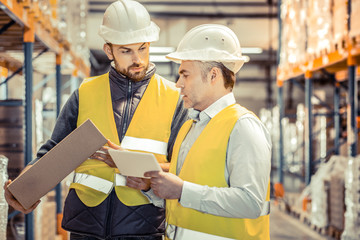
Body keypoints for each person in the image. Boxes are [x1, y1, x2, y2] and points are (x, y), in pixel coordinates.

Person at [4, 0, 188, 239]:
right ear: (109, 50)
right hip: (85, 227)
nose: (138, 59)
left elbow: (184, 167)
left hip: (142, 229)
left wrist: (132, 165)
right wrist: (25, 187)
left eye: (142, 48)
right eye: (126, 51)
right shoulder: (86, 92)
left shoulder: (173, 98)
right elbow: (54, 151)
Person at [144, 24, 272, 240]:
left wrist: (182, 190)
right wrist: (152, 188)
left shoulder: (243, 126)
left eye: (185, 75)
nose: (178, 84)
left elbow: (250, 202)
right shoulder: (189, 126)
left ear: (213, 76)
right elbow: (182, 197)